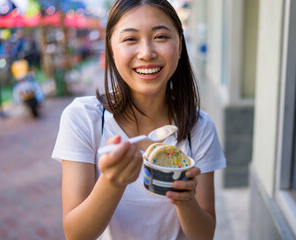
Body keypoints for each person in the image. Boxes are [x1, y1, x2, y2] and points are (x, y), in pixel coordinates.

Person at [52, 0, 226, 239]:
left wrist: (186, 202)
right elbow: (76, 234)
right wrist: (112, 182)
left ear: (180, 46)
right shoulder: (83, 118)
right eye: (130, 39)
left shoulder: (199, 127)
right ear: (111, 50)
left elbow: (205, 234)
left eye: (161, 37)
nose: (147, 53)